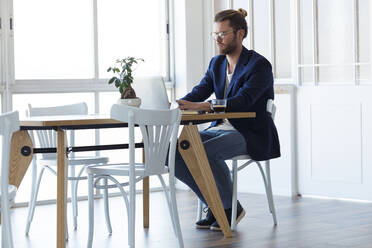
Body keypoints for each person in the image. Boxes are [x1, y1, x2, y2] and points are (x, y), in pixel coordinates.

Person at [174, 8, 281, 231]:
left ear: (240, 33)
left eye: (223, 34)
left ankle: (226, 208)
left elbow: (244, 100)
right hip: (220, 129)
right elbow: (199, 92)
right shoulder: (217, 64)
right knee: (174, 152)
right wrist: (178, 104)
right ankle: (218, 206)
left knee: (204, 151)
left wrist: (205, 106)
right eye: (215, 34)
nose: (217, 39)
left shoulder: (259, 65)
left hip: (249, 132)